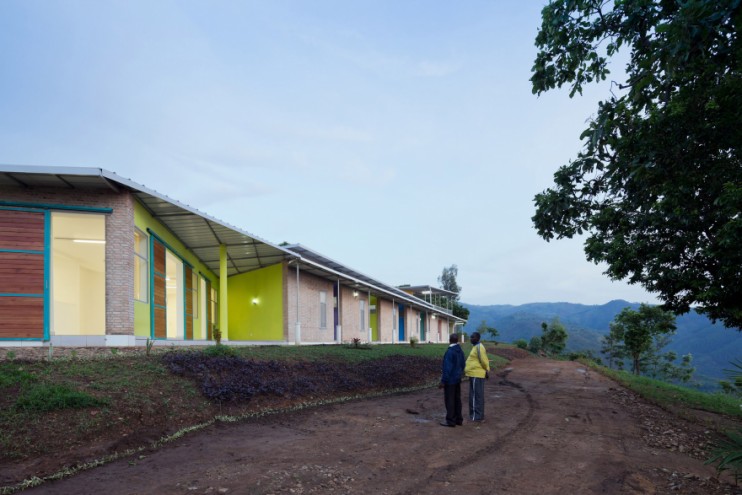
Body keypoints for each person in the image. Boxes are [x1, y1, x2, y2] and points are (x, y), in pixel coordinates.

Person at [439, 333, 466, 427]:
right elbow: (463, 364)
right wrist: (458, 374)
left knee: (449, 400)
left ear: (449, 339)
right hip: (457, 379)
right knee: (457, 399)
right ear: (457, 340)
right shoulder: (460, 350)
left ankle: (451, 420)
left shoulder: (450, 352)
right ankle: (459, 419)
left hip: (450, 380)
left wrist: (443, 381)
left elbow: (447, 368)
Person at [465, 331, 490, 422]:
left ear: (477, 338)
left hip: (477, 374)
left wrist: (486, 370)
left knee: (475, 395)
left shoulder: (479, 347)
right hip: (474, 374)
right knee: (476, 395)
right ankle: (478, 415)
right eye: (471, 337)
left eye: (473, 337)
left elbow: (484, 360)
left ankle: (476, 416)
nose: (471, 339)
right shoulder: (475, 347)